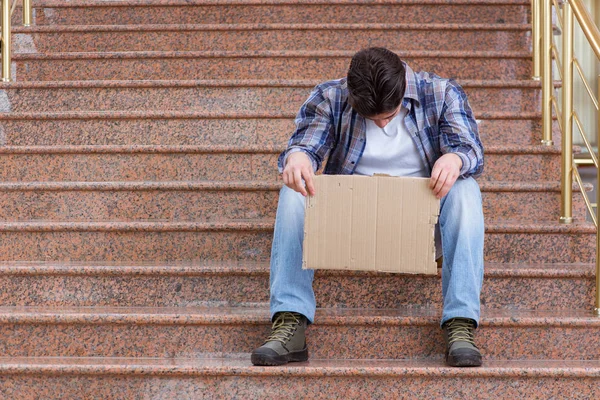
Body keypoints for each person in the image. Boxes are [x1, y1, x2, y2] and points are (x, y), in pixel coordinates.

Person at [250, 47, 485, 368]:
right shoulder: (330, 96)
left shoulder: (441, 93)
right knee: (293, 193)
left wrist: (455, 158)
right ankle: (290, 322)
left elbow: (471, 149)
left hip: (423, 223)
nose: (382, 124)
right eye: (371, 119)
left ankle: (460, 324)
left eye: (388, 116)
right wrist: (298, 158)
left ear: (403, 87)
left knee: (466, 189)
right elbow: (306, 144)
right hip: (351, 220)